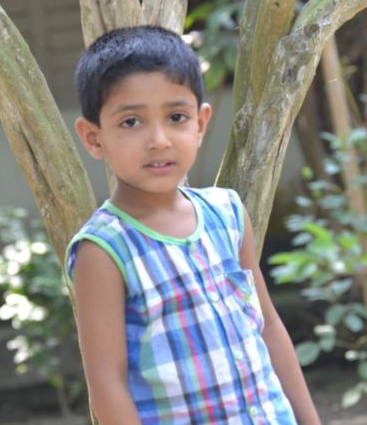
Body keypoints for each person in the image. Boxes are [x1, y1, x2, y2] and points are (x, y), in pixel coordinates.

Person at [67, 25, 320, 424]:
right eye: (131, 122)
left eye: (176, 117)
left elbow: (268, 326)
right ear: (94, 138)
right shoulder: (104, 250)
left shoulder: (227, 213)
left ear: (200, 124)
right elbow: (107, 383)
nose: (159, 139)